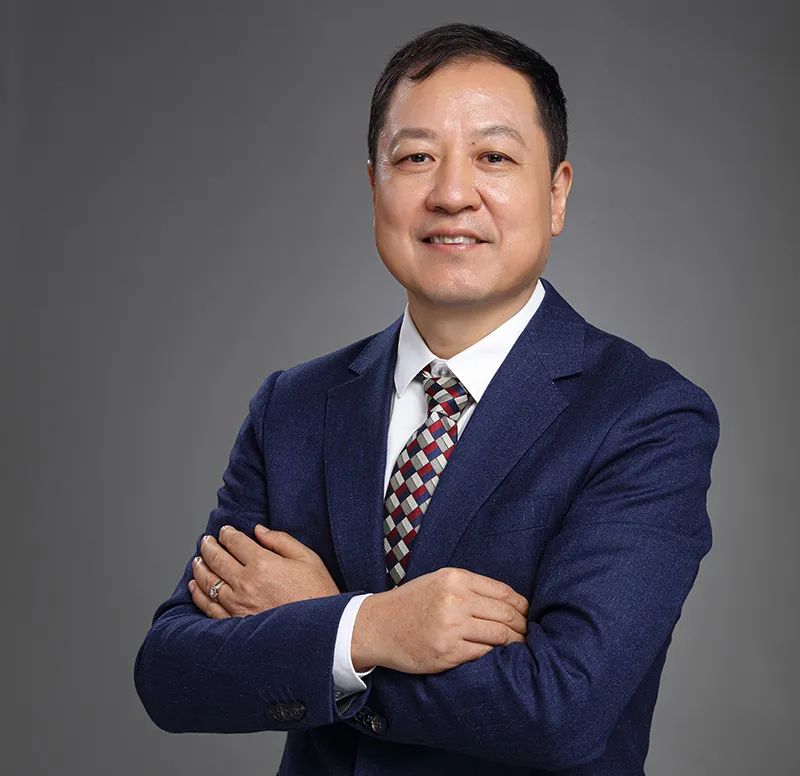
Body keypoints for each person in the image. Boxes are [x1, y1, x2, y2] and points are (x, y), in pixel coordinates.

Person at [134, 22, 720, 775]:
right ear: (374, 187)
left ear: (556, 194)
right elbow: (173, 674)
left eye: (494, 157)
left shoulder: (645, 416)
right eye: (415, 158)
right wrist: (367, 627)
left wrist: (320, 634)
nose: (450, 194)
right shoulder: (295, 406)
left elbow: (560, 709)